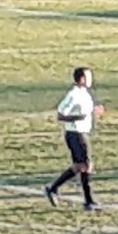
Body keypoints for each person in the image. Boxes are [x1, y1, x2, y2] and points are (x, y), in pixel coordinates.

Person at [44, 66, 102, 211]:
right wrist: (79, 117)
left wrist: (93, 112)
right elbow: (60, 114)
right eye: (88, 77)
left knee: (79, 166)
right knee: (86, 165)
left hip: (81, 132)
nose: (91, 79)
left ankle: (53, 189)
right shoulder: (74, 94)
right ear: (81, 79)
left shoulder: (85, 93)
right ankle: (88, 201)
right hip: (76, 134)